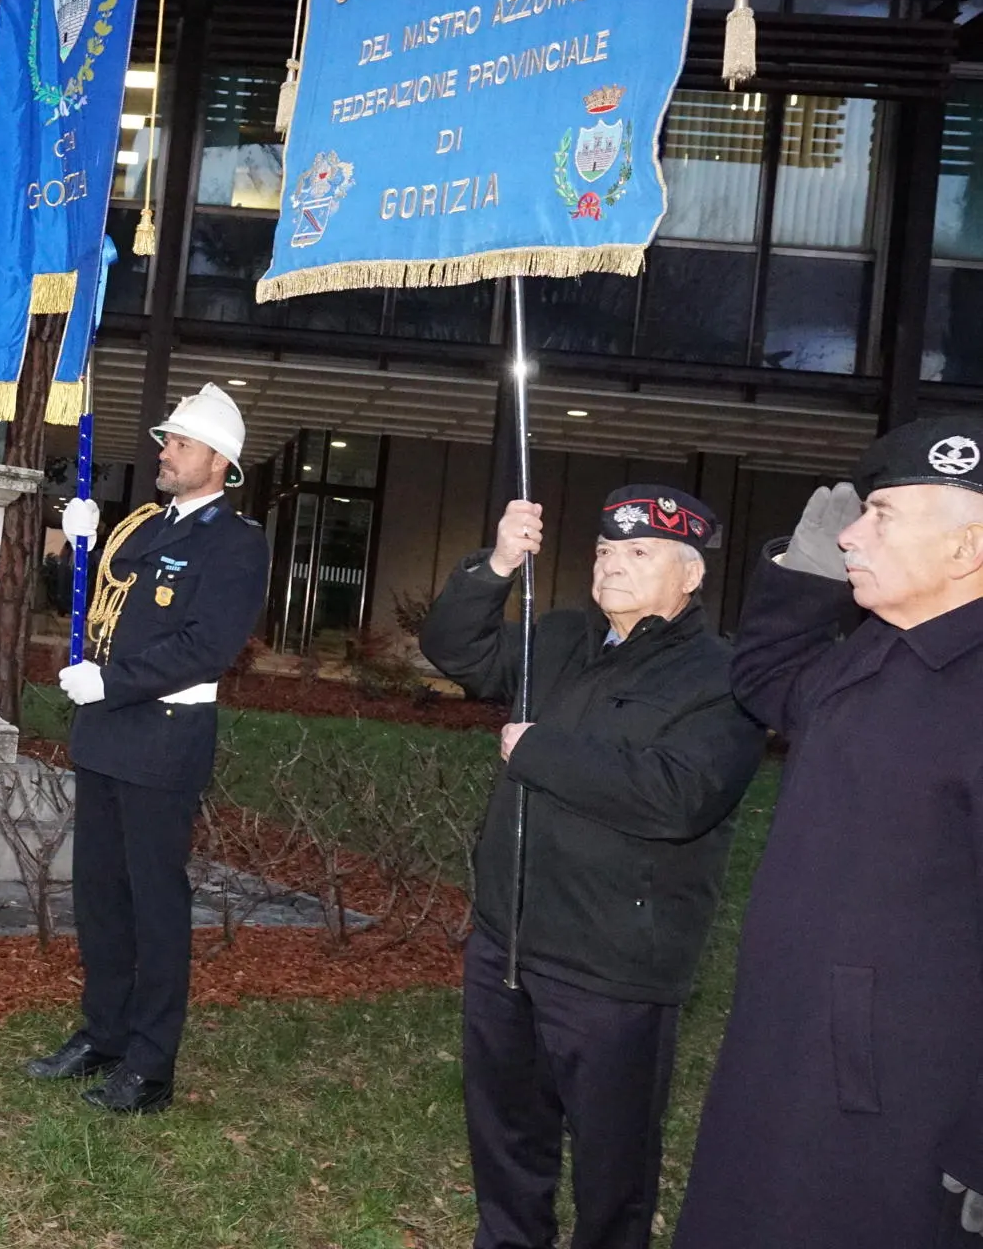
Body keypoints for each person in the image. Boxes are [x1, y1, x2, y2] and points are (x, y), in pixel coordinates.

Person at [420, 486, 766, 1249]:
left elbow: (681, 797)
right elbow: (457, 651)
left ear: (691, 575)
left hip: (615, 965)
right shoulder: (565, 635)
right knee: (507, 1137)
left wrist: (539, 751)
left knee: (614, 1165)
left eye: (638, 553)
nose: (611, 565)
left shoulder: (722, 677)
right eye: (606, 551)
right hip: (508, 939)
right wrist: (498, 565)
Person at [674, 416, 983, 1249]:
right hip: (791, 1050)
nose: (850, 532)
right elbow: (770, 682)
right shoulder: (878, 651)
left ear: (966, 550)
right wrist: (804, 581)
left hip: (906, 1111)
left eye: (881, 514)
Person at [32, 383, 267, 1114]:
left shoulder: (236, 543)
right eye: (167, 441)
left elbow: (205, 648)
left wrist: (110, 683)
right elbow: (90, 611)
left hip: (162, 737)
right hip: (105, 736)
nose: (164, 452)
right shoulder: (137, 528)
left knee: (153, 905)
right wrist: (74, 548)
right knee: (100, 899)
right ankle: (105, 1032)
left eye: (181, 444)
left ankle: (150, 1064)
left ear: (220, 462)